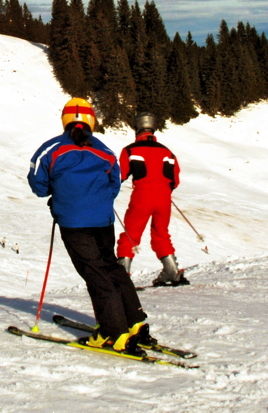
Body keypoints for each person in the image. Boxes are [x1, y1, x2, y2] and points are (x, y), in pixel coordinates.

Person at [27, 97, 154, 355]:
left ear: (65, 119)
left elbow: (38, 185)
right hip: (102, 220)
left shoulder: (50, 149)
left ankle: (113, 332)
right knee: (111, 267)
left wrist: (62, 192)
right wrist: (97, 200)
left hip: (74, 222)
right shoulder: (104, 150)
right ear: (92, 121)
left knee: (95, 273)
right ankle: (135, 323)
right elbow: (114, 184)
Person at [117, 113, 188, 286]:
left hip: (142, 196)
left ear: (137, 128)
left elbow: (121, 174)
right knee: (161, 234)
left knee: (131, 234)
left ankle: (123, 277)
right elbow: (175, 180)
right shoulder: (167, 151)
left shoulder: (130, 150)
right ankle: (172, 271)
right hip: (164, 198)